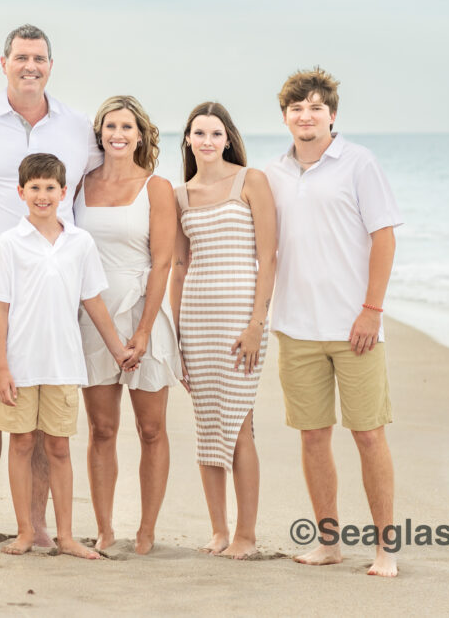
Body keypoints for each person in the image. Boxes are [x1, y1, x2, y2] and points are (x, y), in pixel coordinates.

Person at [0, 24, 101, 543]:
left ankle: (33, 525)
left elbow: (99, 186)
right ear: (4, 62)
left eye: (38, 58)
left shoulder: (80, 127)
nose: (29, 66)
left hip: (56, 278)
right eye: (20, 57)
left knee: (39, 404)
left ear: (50, 66)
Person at [264, 67, 403, 577]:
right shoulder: (273, 173)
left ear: (332, 116)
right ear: (285, 117)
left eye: (316, 108)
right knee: (312, 436)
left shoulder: (360, 164)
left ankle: (387, 548)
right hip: (296, 326)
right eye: (297, 109)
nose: (306, 116)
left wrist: (371, 309)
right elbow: (266, 248)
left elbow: (384, 239)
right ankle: (329, 542)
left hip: (355, 328)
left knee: (368, 435)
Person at [0, 153, 133, 558]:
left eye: (51, 188)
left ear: (64, 192)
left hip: (64, 362)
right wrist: (1, 368)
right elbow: (0, 308)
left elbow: (94, 301)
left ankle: (66, 536)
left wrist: (118, 350)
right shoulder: (9, 243)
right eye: (34, 188)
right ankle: (26, 531)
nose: (43, 195)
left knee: (59, 448)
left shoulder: (79, 243)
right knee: (20, 444)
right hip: (20, 364)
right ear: (21, 192)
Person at [73, 95, 181, 555]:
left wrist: (141, 331)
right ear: (99, 133)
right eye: (110, 126)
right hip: (93, 314)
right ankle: (104, 528)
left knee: (152, 429)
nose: (118, 134)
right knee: (101, 428)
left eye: (127, 127)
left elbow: (163, 263)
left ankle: (146, 531)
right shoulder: (78, 183)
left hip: (143, 312)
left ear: (141, 134)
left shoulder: (156, 187)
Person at [169, 102, 277, 559]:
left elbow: (269, 257)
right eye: (199, 133)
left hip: (240, 319)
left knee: (239, 426)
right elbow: (179, 264)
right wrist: (174, 335)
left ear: (227, 138)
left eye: (215, 133)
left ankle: (246, 536)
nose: (207, 141)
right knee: (207, 426)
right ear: (189, 140)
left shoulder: (251, 181)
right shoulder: (180, 195)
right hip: (197, 319)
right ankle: (218, 530)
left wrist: (256, 324)